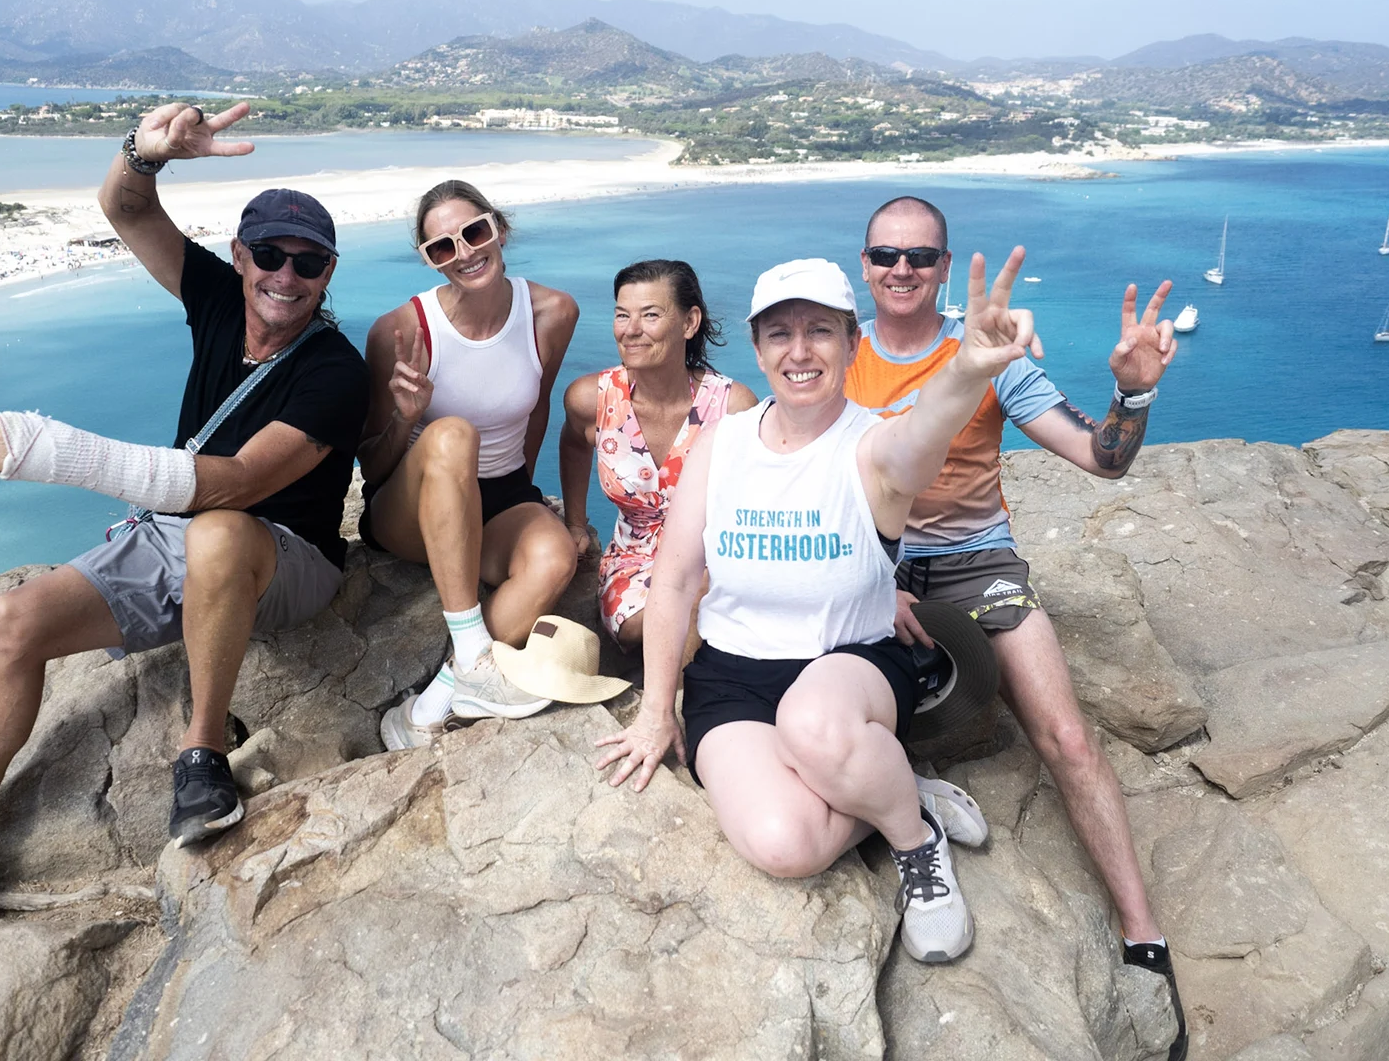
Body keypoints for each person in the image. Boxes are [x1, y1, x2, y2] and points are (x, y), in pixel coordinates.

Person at [0, 101, 370, 924]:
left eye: (309, 262)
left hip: (285, 558)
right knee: (12, 622)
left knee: (217, 529)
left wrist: (59, 452)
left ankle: (202, 751)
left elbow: (240, 484)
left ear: (327, 274)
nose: (286, 276)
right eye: (272, 255)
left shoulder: (335, 371)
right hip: (176, 535)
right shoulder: (216, 296)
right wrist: (145, 156)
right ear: (242, 255)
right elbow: (126, 208)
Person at [596, 253, 1035, 964]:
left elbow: (927, 430)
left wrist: (967, 370)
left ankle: (914, 842)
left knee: (813, 723)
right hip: (733, 677)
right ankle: (893, 784)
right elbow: (674, 580)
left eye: (820, 332)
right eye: (779, 334)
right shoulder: (722, 442)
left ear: (851, 343)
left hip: (848, 669)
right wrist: (656, 710)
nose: (799, 351)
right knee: (784, 844)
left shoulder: (873, 446)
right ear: (759, 347)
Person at [845, 195, 1186, 1057]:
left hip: (977, 566)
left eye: (920, 258)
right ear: (864, 264)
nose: (901, 272)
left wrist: (1133, 394)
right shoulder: (835, 353)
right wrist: (870, 580)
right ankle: (910, 800)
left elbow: (1101, 459)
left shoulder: (989, 350)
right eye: (886, 256)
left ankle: (1144, 936)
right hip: (866, 565)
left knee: (1068, 736)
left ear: (943, 265)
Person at [362, 180, 581, 751]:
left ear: (498, 228)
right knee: (453, 434)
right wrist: (407, 418)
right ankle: (470, 643)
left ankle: (443, 691)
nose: (465, 253)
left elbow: (534, 415)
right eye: (442, 247)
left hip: (502, 495)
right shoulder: (401, 331)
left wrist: (534, 503)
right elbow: (373, 461)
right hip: (412, 508)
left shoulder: (552, 311)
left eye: (474, 232)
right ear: (431, 262)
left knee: (556, 556)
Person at [559, 259, 756, 647]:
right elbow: (573, 444)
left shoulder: (733, 408)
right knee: (678, 615)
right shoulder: (592, 400)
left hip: (715, 560)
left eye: (650, 315)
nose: (631, 330)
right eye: (621, 315)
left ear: (689, 322)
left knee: (701, 592)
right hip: (635, 565)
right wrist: (576, 523)